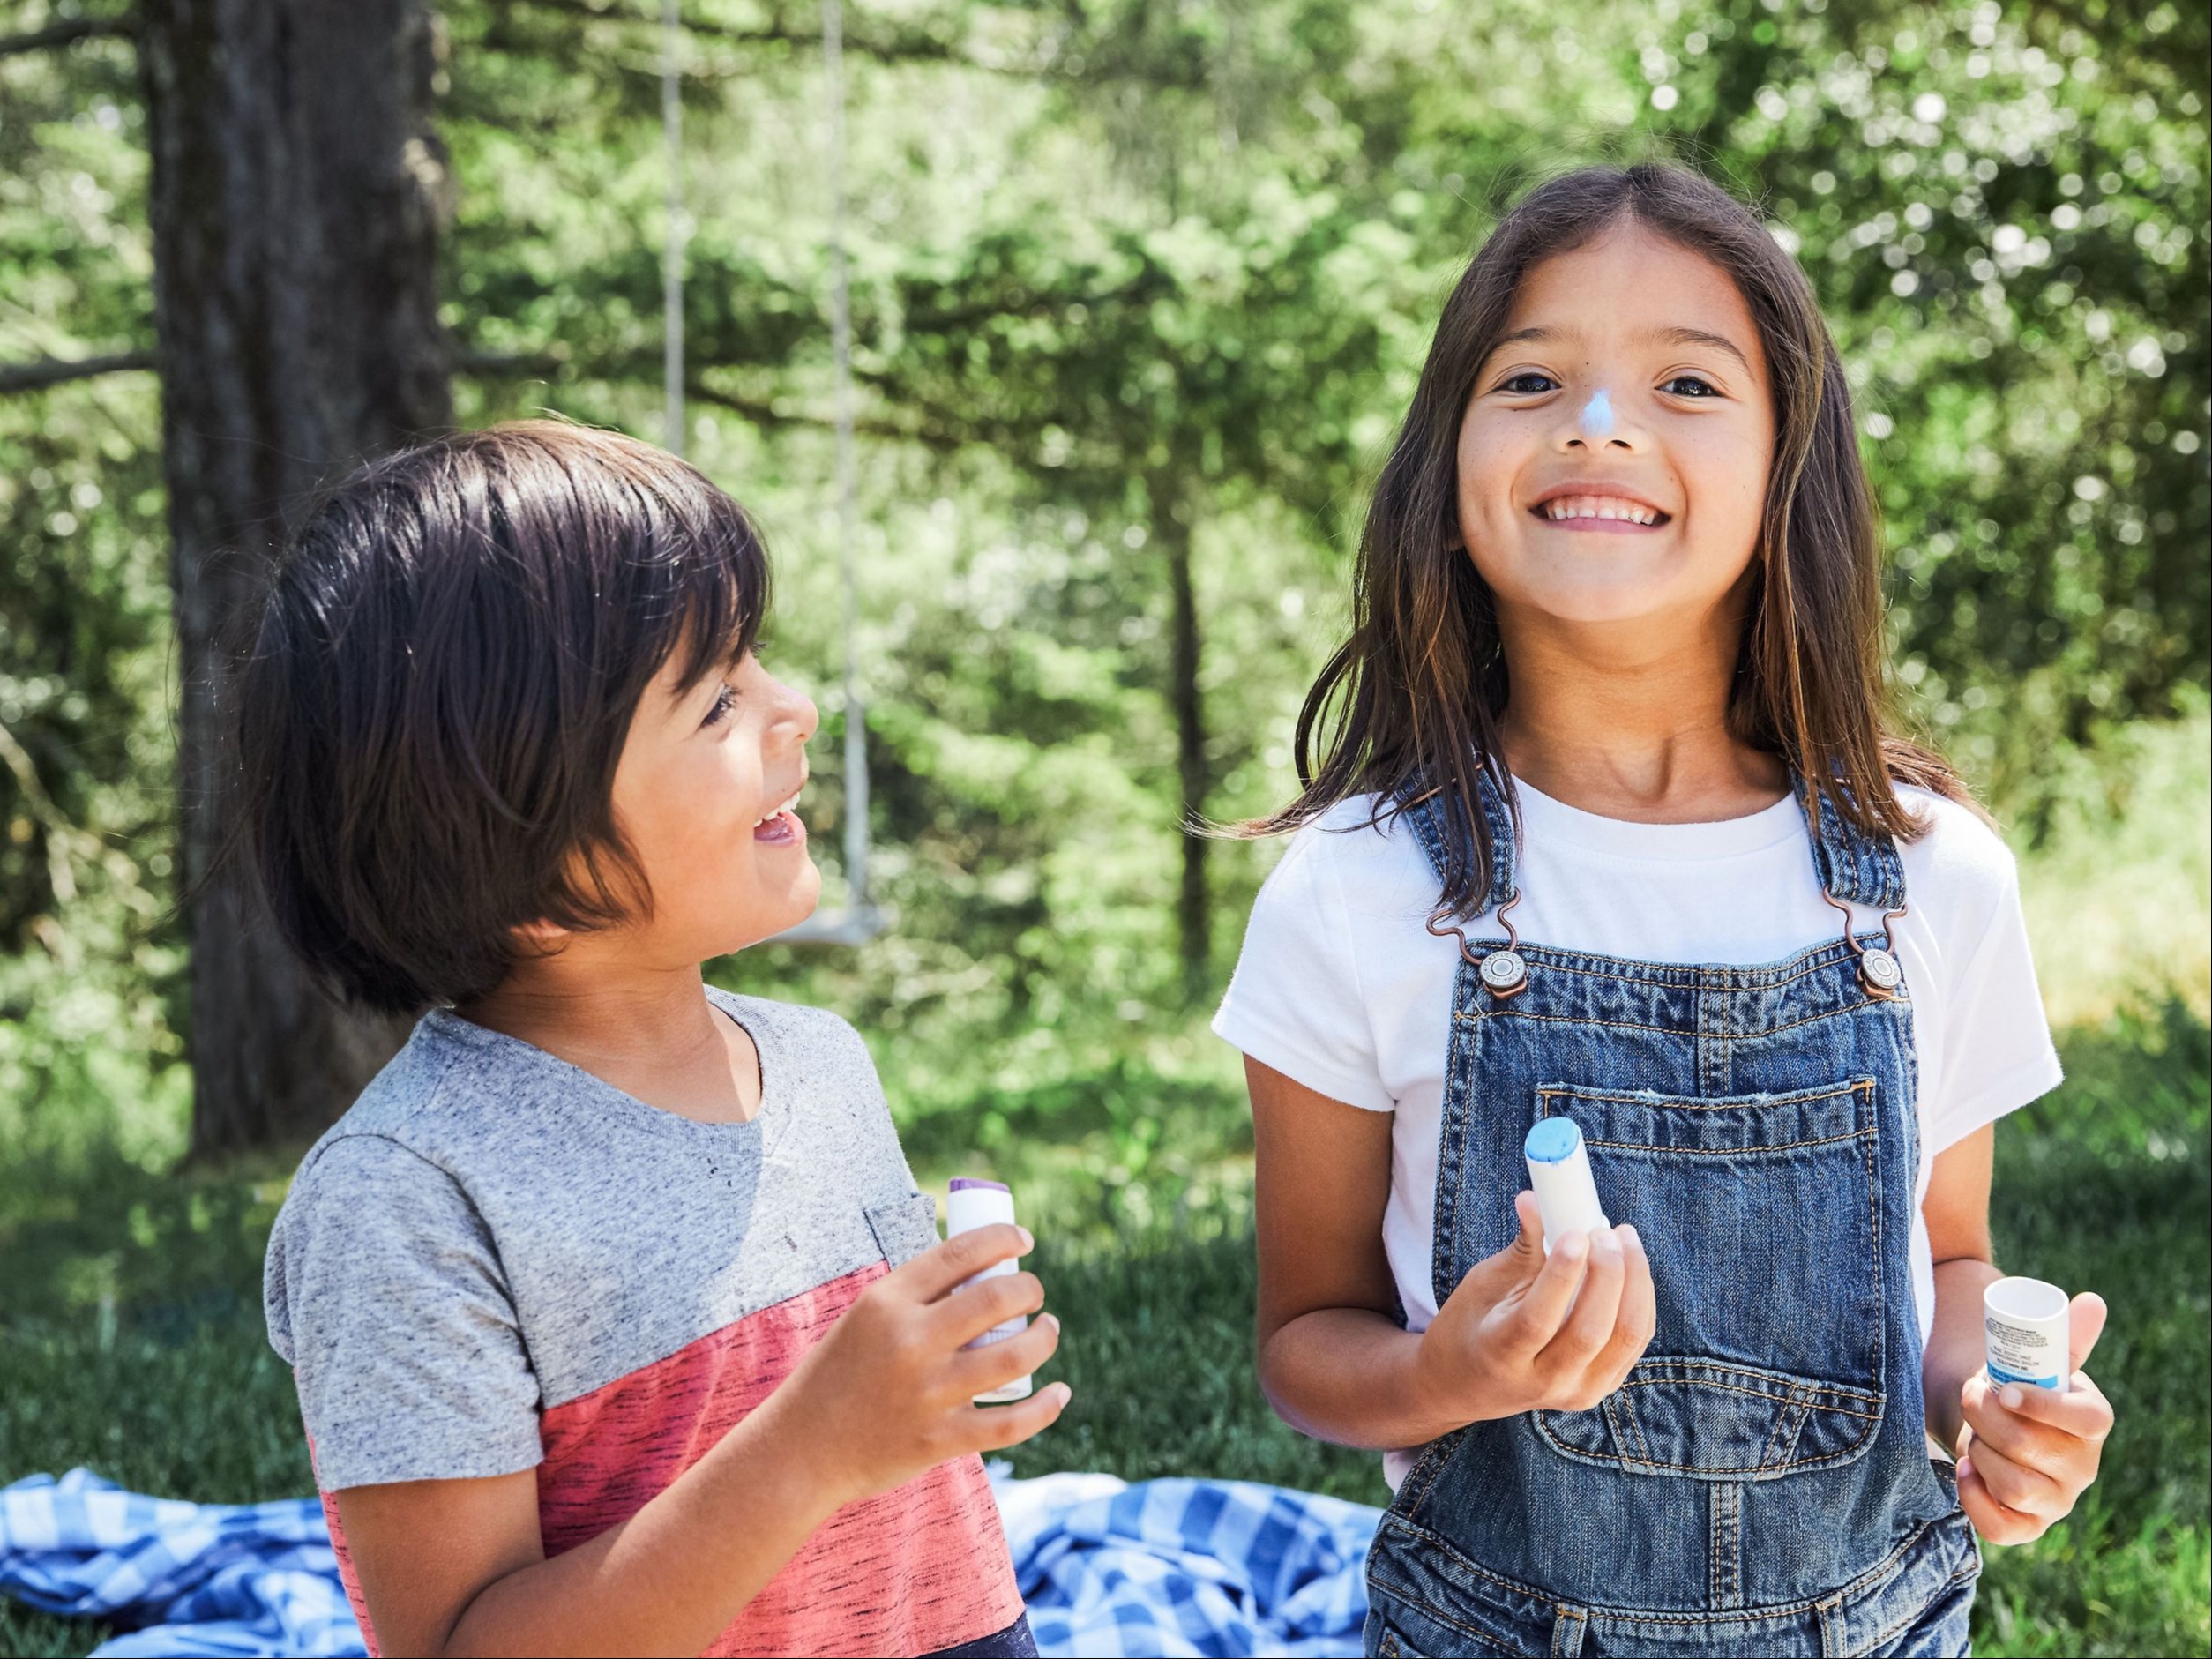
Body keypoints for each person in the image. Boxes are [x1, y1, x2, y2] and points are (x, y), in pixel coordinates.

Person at [1214, 164, 2112, 1656]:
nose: (1599, 422)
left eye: (1686, 380)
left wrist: (1994, 1407)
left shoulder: (1936, 876)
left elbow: (1953, 1264)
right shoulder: (1360, 890)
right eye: (1534, 377)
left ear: (1786, 468)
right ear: (1449, 463)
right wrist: (1450, 1370)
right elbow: (1308, 1340)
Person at [244, 422, 1065, 1658]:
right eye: (721, 694)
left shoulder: (820, 1063)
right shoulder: (405, 1203)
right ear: (514, 823)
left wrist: (941, 1361)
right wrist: (810, 1448)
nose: (797, 705)